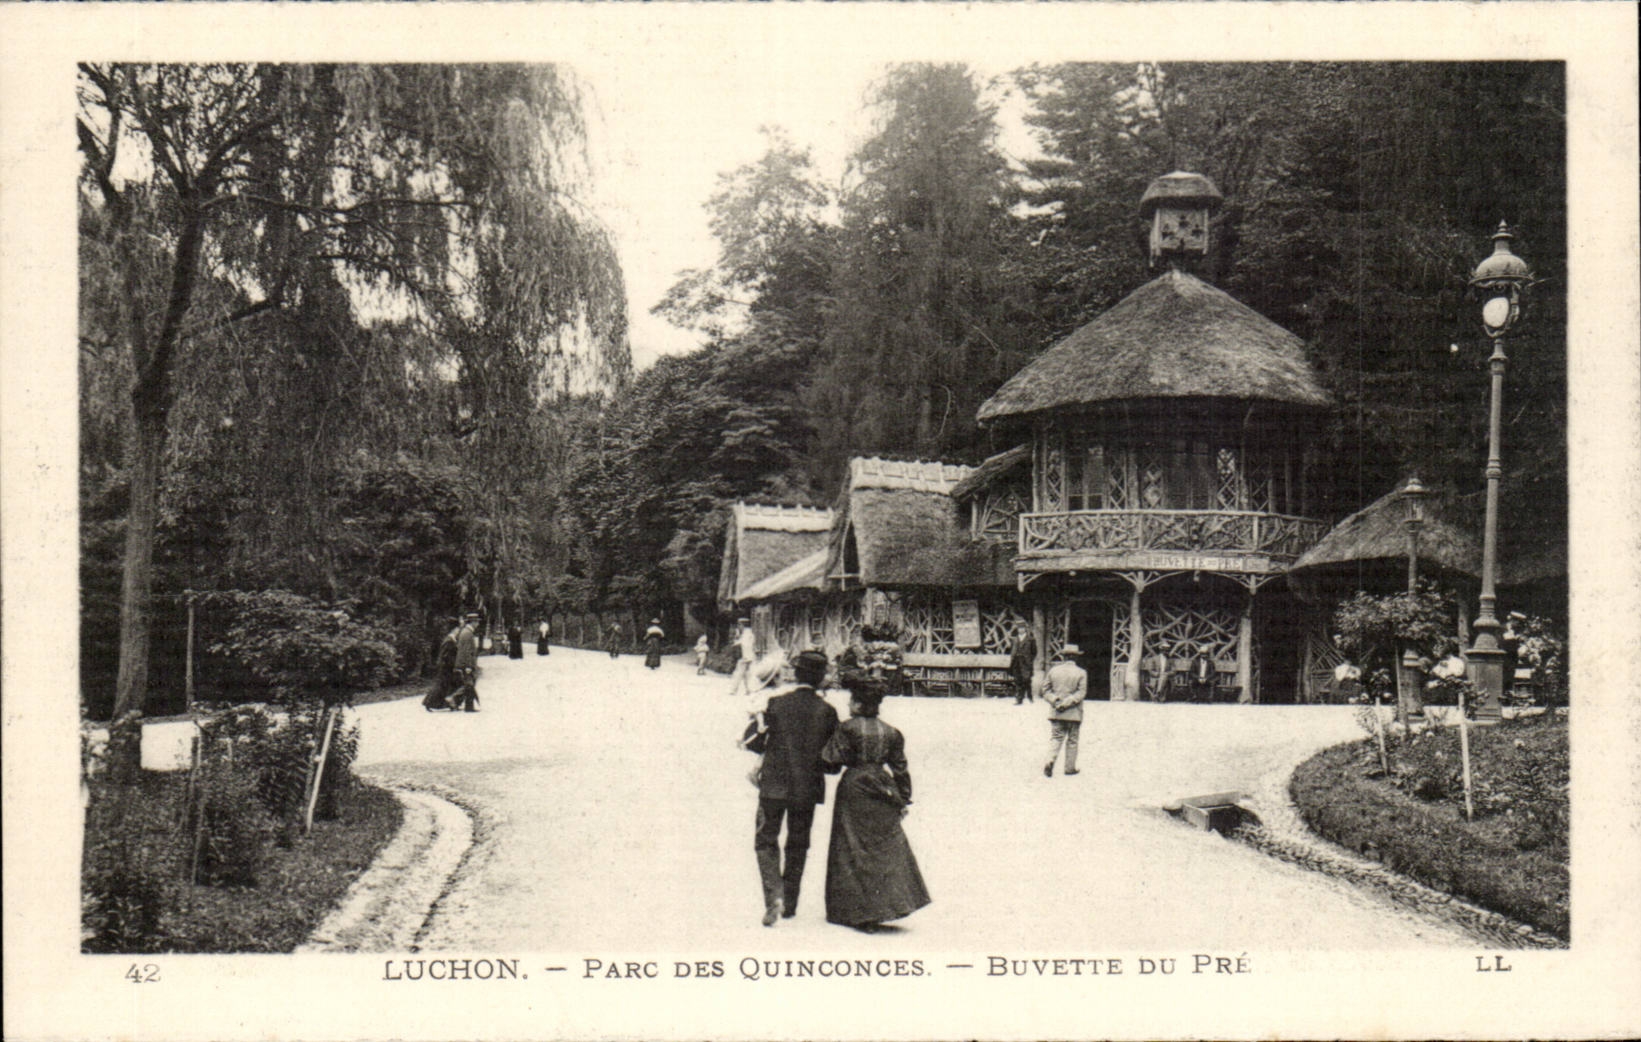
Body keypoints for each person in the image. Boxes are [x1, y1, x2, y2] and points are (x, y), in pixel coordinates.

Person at [820, 676, 931, 930]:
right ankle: (886, 906)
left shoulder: (847, 729)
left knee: (852, 846)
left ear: (858, 704)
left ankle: (856, 911)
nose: (849, 704)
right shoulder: (891, 732)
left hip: (854, 787)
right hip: (882, 786)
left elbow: (832, 762)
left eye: (852, 700)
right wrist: (902, 798)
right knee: (882, 846)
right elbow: (901, 769)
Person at [742, 649, 838, 926]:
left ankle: (774, 897)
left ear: (795, 675)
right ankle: (791, 903)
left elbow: (756, 741)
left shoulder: (775, 704)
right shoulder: (828, 712)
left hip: (773, 785)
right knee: (798, 843)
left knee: (765, 840)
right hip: (806, 790)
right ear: (821, 678)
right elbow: (832, 761)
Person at [1043, 643, 1088, 777]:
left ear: (1064, 657)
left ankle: (1050, 760)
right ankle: (1069, 768)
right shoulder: (1081, 672)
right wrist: (1067, 702)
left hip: (1056, 712)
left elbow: (1045, 690)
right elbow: (1081, 693)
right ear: (1076, 658)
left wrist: (1056, 701)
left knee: (1056, 737)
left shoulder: (1053, 671)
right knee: (1072, 740)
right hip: (1073, 713)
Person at [422, 617, 461, 711]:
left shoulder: (450, 639)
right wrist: (453, 664)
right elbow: (446, 656)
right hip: (445, 668)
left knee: (444, 686)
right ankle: (429, 702)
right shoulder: (449, 641)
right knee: (441, 686)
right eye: (457, 629)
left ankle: (445, 704)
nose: (458, 631)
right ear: (454, 629)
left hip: (446, 667)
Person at [453, 612, 481, 712]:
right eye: (476, 622)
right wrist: (468, 666)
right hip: (466, 664)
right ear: (472, 622)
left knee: (469, 684)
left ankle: (466, 705)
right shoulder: (468, 633)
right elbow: (467, 651)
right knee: (469, 684)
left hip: (465, 663)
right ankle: (456, 700)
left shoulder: (466, 632)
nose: (477, 624)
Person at [727, 618, 757, 696]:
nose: (738, 626)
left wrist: (736, 640)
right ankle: (749, 690)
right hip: (749, 657)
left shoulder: (746, 635)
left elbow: (744, 645)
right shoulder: (749, 634)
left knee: (738, 673)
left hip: (744, 657)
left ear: (743, 625)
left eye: (739, 625)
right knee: (746, 674)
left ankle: (733, 690)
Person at [1009, 631, 1038, 705]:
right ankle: (1019, 699)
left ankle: (1029, 696)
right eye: (1019, 628)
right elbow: (1012, 650)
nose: (1020, 629)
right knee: (1017, 680)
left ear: (1025, 629)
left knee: (1027, 680)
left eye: (1022, 627)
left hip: (1026, 663)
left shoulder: (1030, 639)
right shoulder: (1015, 639)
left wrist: (1029, 659)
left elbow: (1034, 652)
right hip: (1016, 662)